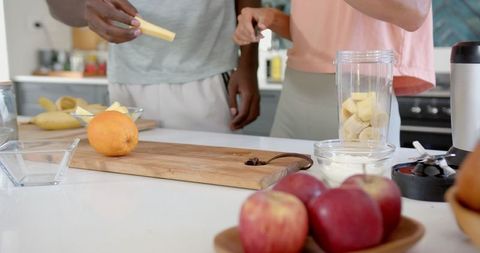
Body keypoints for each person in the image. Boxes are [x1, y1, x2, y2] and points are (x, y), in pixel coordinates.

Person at [233, 0, 434, 147]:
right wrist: (271, 17)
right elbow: (319, 31)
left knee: (362, 201)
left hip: (360, 98)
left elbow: (413, 11)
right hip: (294, 93)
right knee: (279, 195)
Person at [46, 0, 261, 132]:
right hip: (127, 85)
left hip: (208, 78)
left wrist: (250, 64)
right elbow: (57, 5)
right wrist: (84, 8)